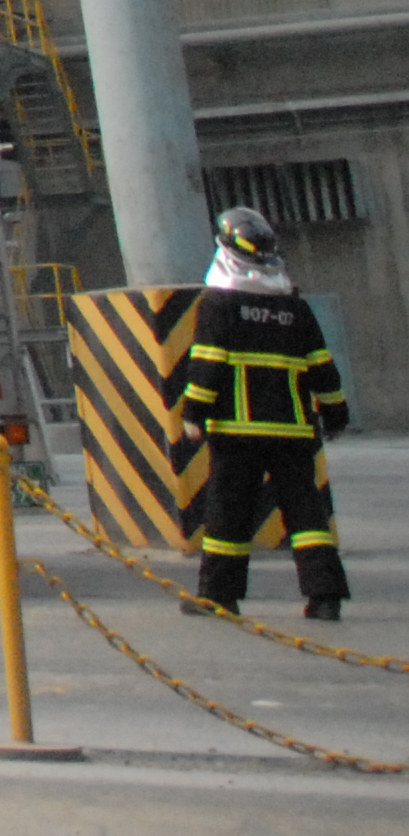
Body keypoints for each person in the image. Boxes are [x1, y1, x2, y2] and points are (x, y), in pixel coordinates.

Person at [181, 207, 350, 621]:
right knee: (306, 512)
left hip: (238, 431)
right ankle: (325, 597)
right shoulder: (295, 309)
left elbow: (207, 364)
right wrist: (335, 415)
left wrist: (194, 414)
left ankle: (219, 596)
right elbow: (322, 367)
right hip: (293, 431)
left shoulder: (219, 304)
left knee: (229, 514)